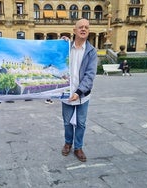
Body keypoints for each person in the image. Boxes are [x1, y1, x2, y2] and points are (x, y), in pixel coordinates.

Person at [61, 19, 97, 162]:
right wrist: (61, 43)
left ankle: (78, 147)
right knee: (67, 122)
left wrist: (79, 92)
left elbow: (90, 75)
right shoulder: (66, 48)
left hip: (82, 95)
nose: (83, 29)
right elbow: (54, 55)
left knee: (81, 123)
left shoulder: (91, 52)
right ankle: (68, 143)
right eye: (80, 27)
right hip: (66, 93)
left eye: (86, 27)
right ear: (74, 30)